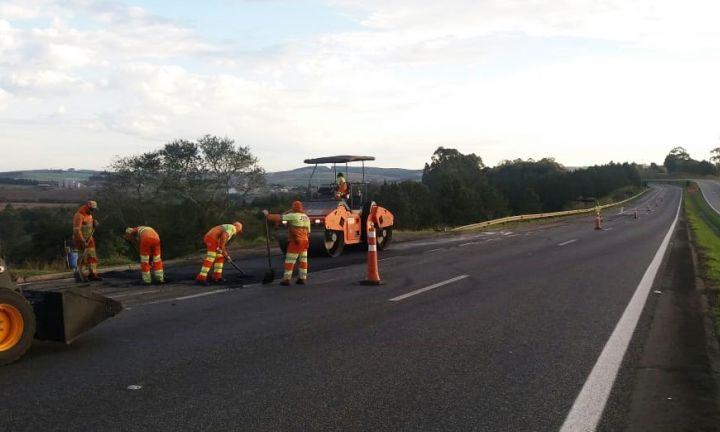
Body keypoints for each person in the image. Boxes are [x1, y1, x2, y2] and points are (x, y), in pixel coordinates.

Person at [264, 201, 310, 285]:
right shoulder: (306, 217)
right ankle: (302, 278)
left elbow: (279, 217)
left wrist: (267, 215)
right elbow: (309, 232)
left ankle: (286, 279)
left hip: (296, 242)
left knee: (290, 261)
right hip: (305, 241)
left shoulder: (293, 216)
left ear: (294, 208)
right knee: (303, 261)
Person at [196, 222, 243, 286]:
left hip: (214, 240)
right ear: (238, 228)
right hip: (211, 238)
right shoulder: (232, 228)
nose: (238, 233)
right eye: (239, 231)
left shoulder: (229, 227)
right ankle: (201, 278)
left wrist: (225, 254)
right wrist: (223, 250)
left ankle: (217, 277)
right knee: (211, 257)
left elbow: (222, 239)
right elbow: (224, 236)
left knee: (220, 257)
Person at [72, 200, 101, 282]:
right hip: (80, 240)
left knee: (92, 257)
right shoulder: (79, 215)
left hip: (90, 238)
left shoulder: (90, 215)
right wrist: (82, 241)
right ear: (87, 207)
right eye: (92, 209)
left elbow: (89, 224)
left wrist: (94, 224)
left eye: (94, 209)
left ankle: (93, 274)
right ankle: (83, 276)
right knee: (82, 258)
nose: (93, 211)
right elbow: (77, 231)